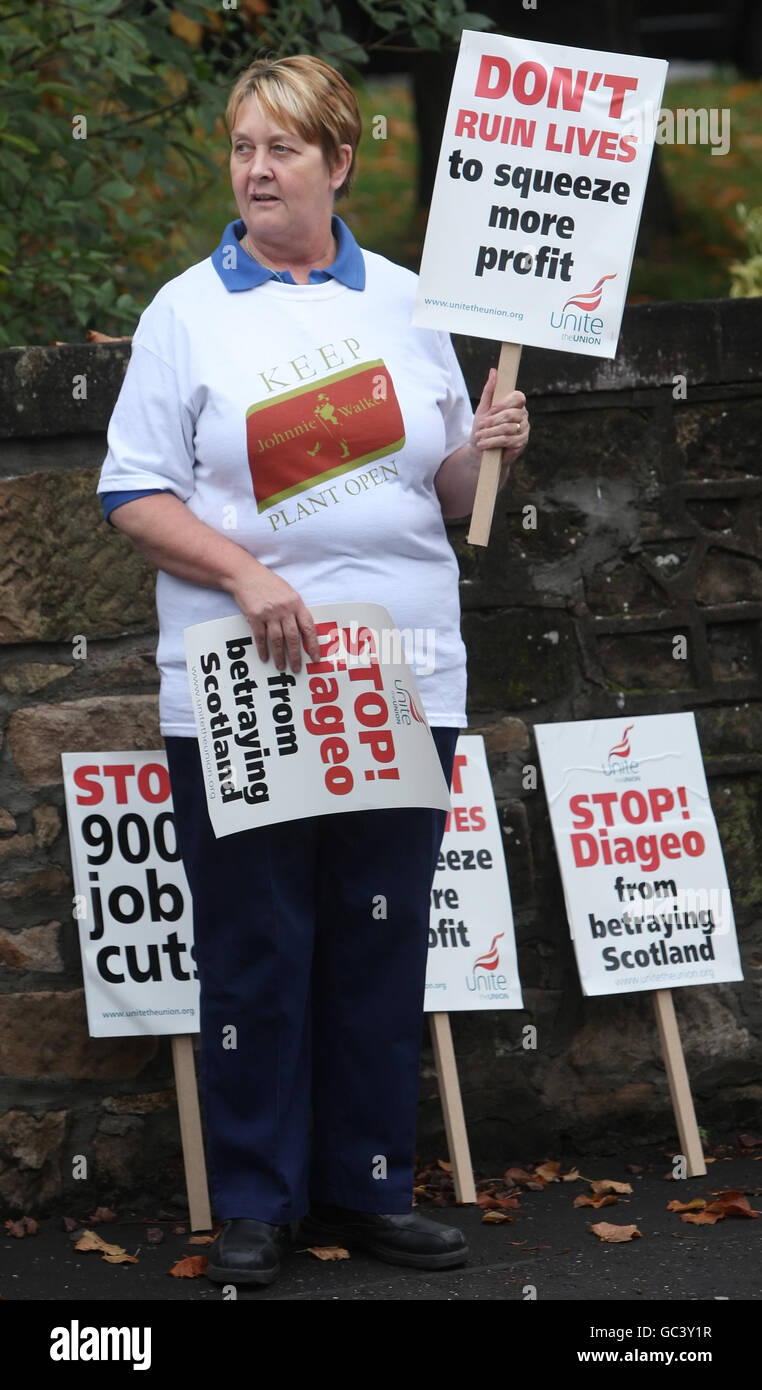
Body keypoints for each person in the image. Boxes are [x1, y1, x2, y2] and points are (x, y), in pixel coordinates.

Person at [97, 53, 529, 1287]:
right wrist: (245, 574)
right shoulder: (188, 309)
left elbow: (448, 494)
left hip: (399, 671)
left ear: (341, 162)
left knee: (377, 936)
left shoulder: (407, 302)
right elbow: (132, 486)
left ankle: (370, 1186)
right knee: (256, 942)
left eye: (283, 149)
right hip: (244, 675)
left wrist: (489, 445)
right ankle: (256, 1201)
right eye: (242, 148)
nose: (257, 169)